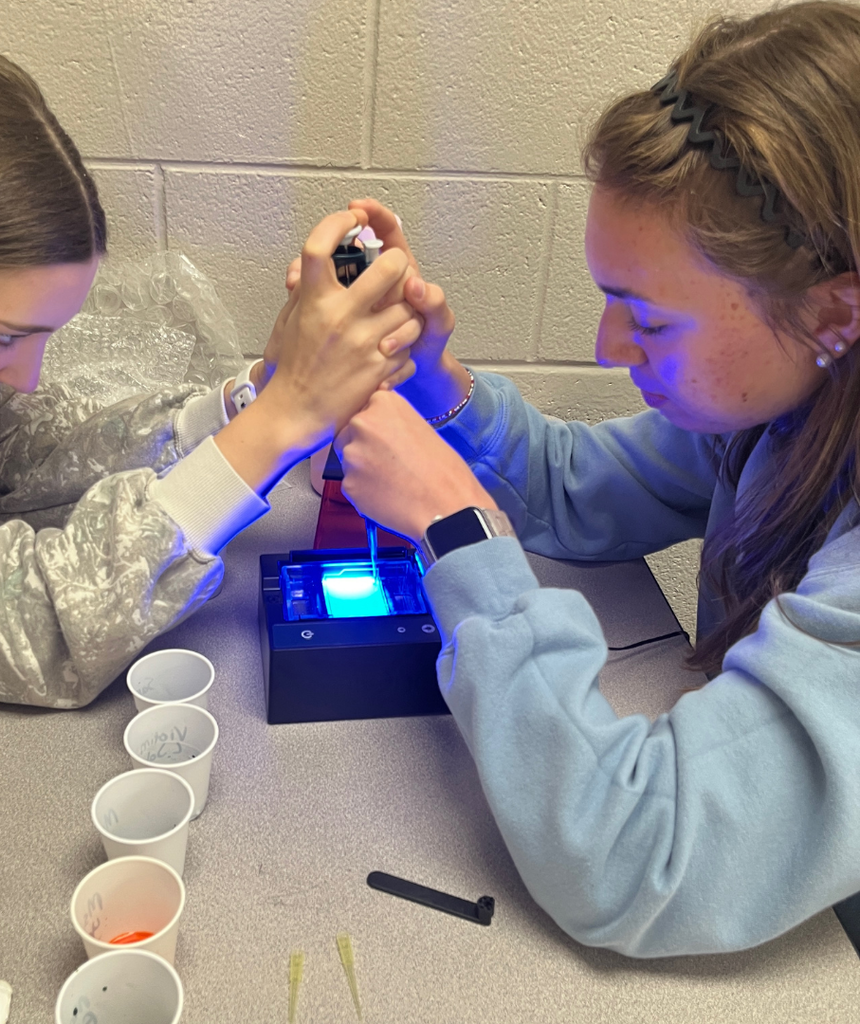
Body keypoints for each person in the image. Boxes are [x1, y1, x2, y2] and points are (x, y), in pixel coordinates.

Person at [333, 1, 860, 957]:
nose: (606, 347)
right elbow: (576, 489)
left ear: (833, 312)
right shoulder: (787, 408)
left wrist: (457, 531)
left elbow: (633, 857)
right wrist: (439, 388)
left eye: (648, 320)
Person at [0, 39, 421, 708]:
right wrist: (283, 423)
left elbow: (10, 448)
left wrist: (253, 396)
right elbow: (37, 625)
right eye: (2, 336)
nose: (23, 379)